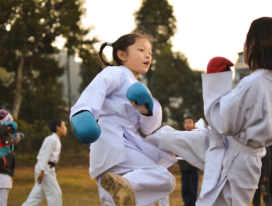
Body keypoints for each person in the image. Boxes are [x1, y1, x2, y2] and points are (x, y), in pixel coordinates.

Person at [147, 17, 272, 205]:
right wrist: (270, 117)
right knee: (173, 138)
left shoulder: (253, 82)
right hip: (245, 155)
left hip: (235, 157)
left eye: (248, 39)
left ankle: (135, 162)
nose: (245, 45)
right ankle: (136, 164)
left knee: (223, 202)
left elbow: (221, 123)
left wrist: (217, 81)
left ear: (260, 43)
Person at [70, 33, 177, 206]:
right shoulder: (115, 72)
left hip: (125, 145)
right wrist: (83, 113)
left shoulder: (141, 87)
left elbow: (148, 128)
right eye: (141, 50)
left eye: (150, 52)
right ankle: (126, 183)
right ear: (122, 55)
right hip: (112, 138)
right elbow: (95, 90)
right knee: (164, 178)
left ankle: (122, 184)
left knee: (120, 201)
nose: (148, 55)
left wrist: (146, 111)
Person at [22, 119, 67, 206]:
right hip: (45, 170)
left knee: (37, 196)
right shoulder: (51, 139)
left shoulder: (56, 140)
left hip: (47, 169)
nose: (66, 128)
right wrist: (42, 171)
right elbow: (44, 155)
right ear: (58, 128)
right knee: (56, 193)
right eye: (64, 126)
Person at [0, 110, 24, 206]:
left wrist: (16, 138)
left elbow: (11, 140)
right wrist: (7, 128)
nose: (9, 130)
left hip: (6, 175)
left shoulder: (6, 138)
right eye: (8, 126)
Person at [178, 116, 200, 206]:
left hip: (194, 169)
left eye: (189, 122)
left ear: (194, 124)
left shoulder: (198, 136)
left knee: (193, 190)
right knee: (185, 189)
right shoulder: (181, 136)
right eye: (186, 122)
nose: (187, 124)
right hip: (184, 169)